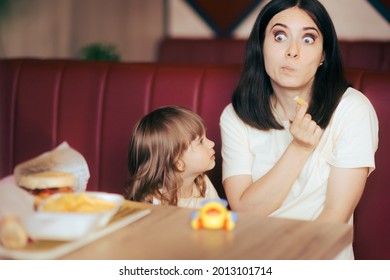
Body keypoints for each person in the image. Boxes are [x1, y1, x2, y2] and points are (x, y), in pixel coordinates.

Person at [219, 0, 378, 259]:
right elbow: (245, 211)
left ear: (324, 54)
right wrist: (299, 148)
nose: (292, 51)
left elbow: (334, 216)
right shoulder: (236, 115)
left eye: (308, 39)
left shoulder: (352, 109)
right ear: (261, 45)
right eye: (280, 36)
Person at [125, 105, 219, 209]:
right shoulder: (154, 202)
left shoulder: (203, 184)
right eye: (201, 141)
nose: (212, 143)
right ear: (178, 163)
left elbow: (219, 217)